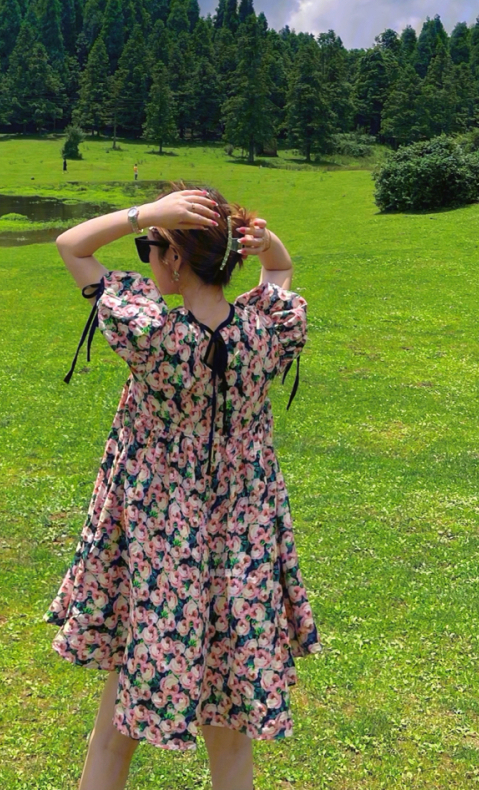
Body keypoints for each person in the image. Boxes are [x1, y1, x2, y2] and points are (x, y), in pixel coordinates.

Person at [49, 182, 319, 790]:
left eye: (152, 245)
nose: (146, 252)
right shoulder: (265, 332)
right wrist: (264, 241)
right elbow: (280, 270)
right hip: (241, 551)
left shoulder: (153, 335)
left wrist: (146, 214)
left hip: (158, 552)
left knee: (116, 726)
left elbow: (72, 246)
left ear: (174, 259)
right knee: (230, 740)